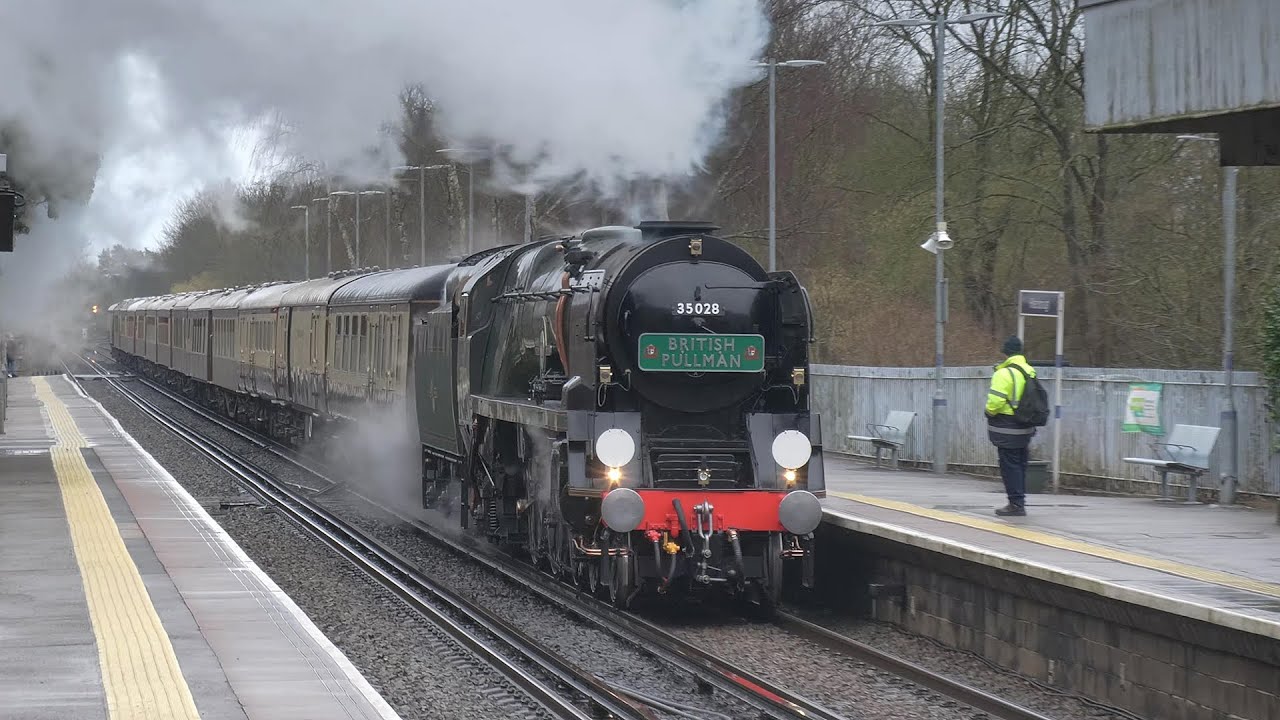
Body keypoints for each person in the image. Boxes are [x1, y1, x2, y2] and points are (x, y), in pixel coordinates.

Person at [986, 335, 1037, 516]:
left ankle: (1015, 504)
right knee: (1021, 463)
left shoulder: (1004, 373)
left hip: (1007, 426)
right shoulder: (1029, 371)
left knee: (1010, 465)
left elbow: (995, 402)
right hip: (1025, 425)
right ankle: (1020, 500)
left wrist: (989, 412)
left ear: (1006, 352)